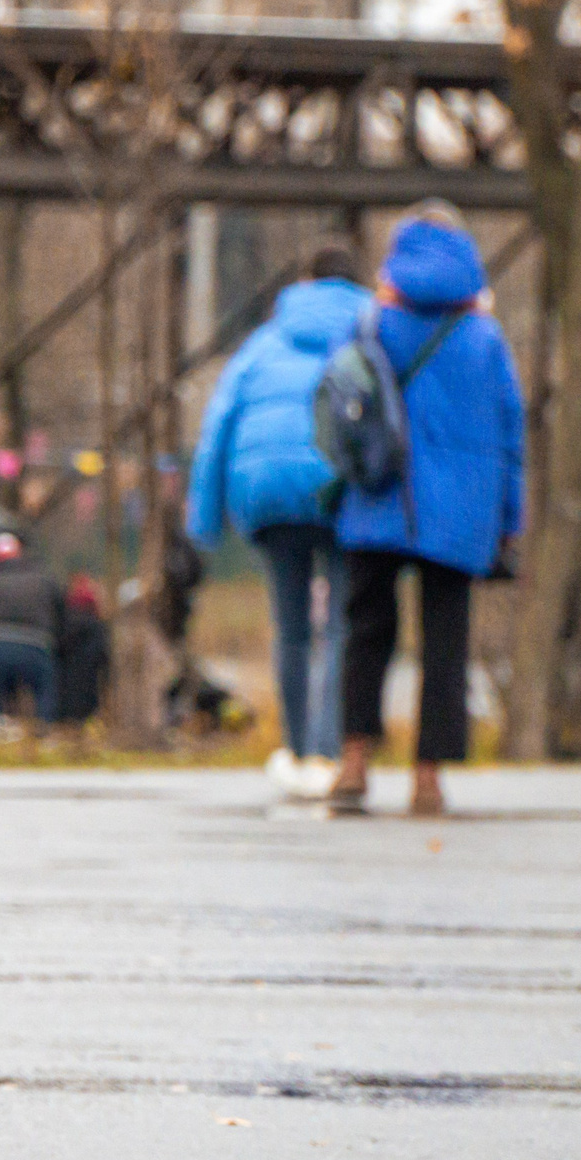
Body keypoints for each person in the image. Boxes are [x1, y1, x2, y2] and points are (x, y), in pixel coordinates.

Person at [329, 203, 524, 818]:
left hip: (376, 496)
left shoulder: (371, 322)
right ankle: (428, 777)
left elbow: (336, 404)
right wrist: (509, 519)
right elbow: (511, 434)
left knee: (366, 631)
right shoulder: (484, 338)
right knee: (445, 643)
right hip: (462, 511)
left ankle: (354, 760)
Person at [185, 246, 371, 797]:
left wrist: (204, 521)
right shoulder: (371, 336)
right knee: (339, 629)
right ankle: (329, 752)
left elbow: (218, 427)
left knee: (291, 629)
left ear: (306, 281)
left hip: (269, 488)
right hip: (344, 489)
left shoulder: (263, 343)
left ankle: (296, 749)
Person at [0, 530, 62, 726]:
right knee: (45, 693)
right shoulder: (44, 579)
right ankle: (45, 730)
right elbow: (60, 616)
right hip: (36, 646)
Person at [55, 573, 110, 725]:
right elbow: (105, 659)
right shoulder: (99, 628)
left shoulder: (61, 626)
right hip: (89, 699)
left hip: (62, 701)